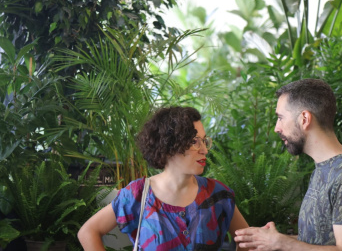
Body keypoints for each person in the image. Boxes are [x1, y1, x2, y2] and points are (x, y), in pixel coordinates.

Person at [78, 106, 249, 250]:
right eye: (195, 141)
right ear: (169, 145)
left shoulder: (218, 194)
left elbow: (249, 242)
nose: (204, 150)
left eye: (204, 141)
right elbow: (88, 232)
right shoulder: (138, 194)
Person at [234, 79, 342, 251]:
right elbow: (316, 241)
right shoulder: (323, 168)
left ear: (304, 119)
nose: (276, 128)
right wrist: (270, 240)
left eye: (280, 118)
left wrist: (282, 243)